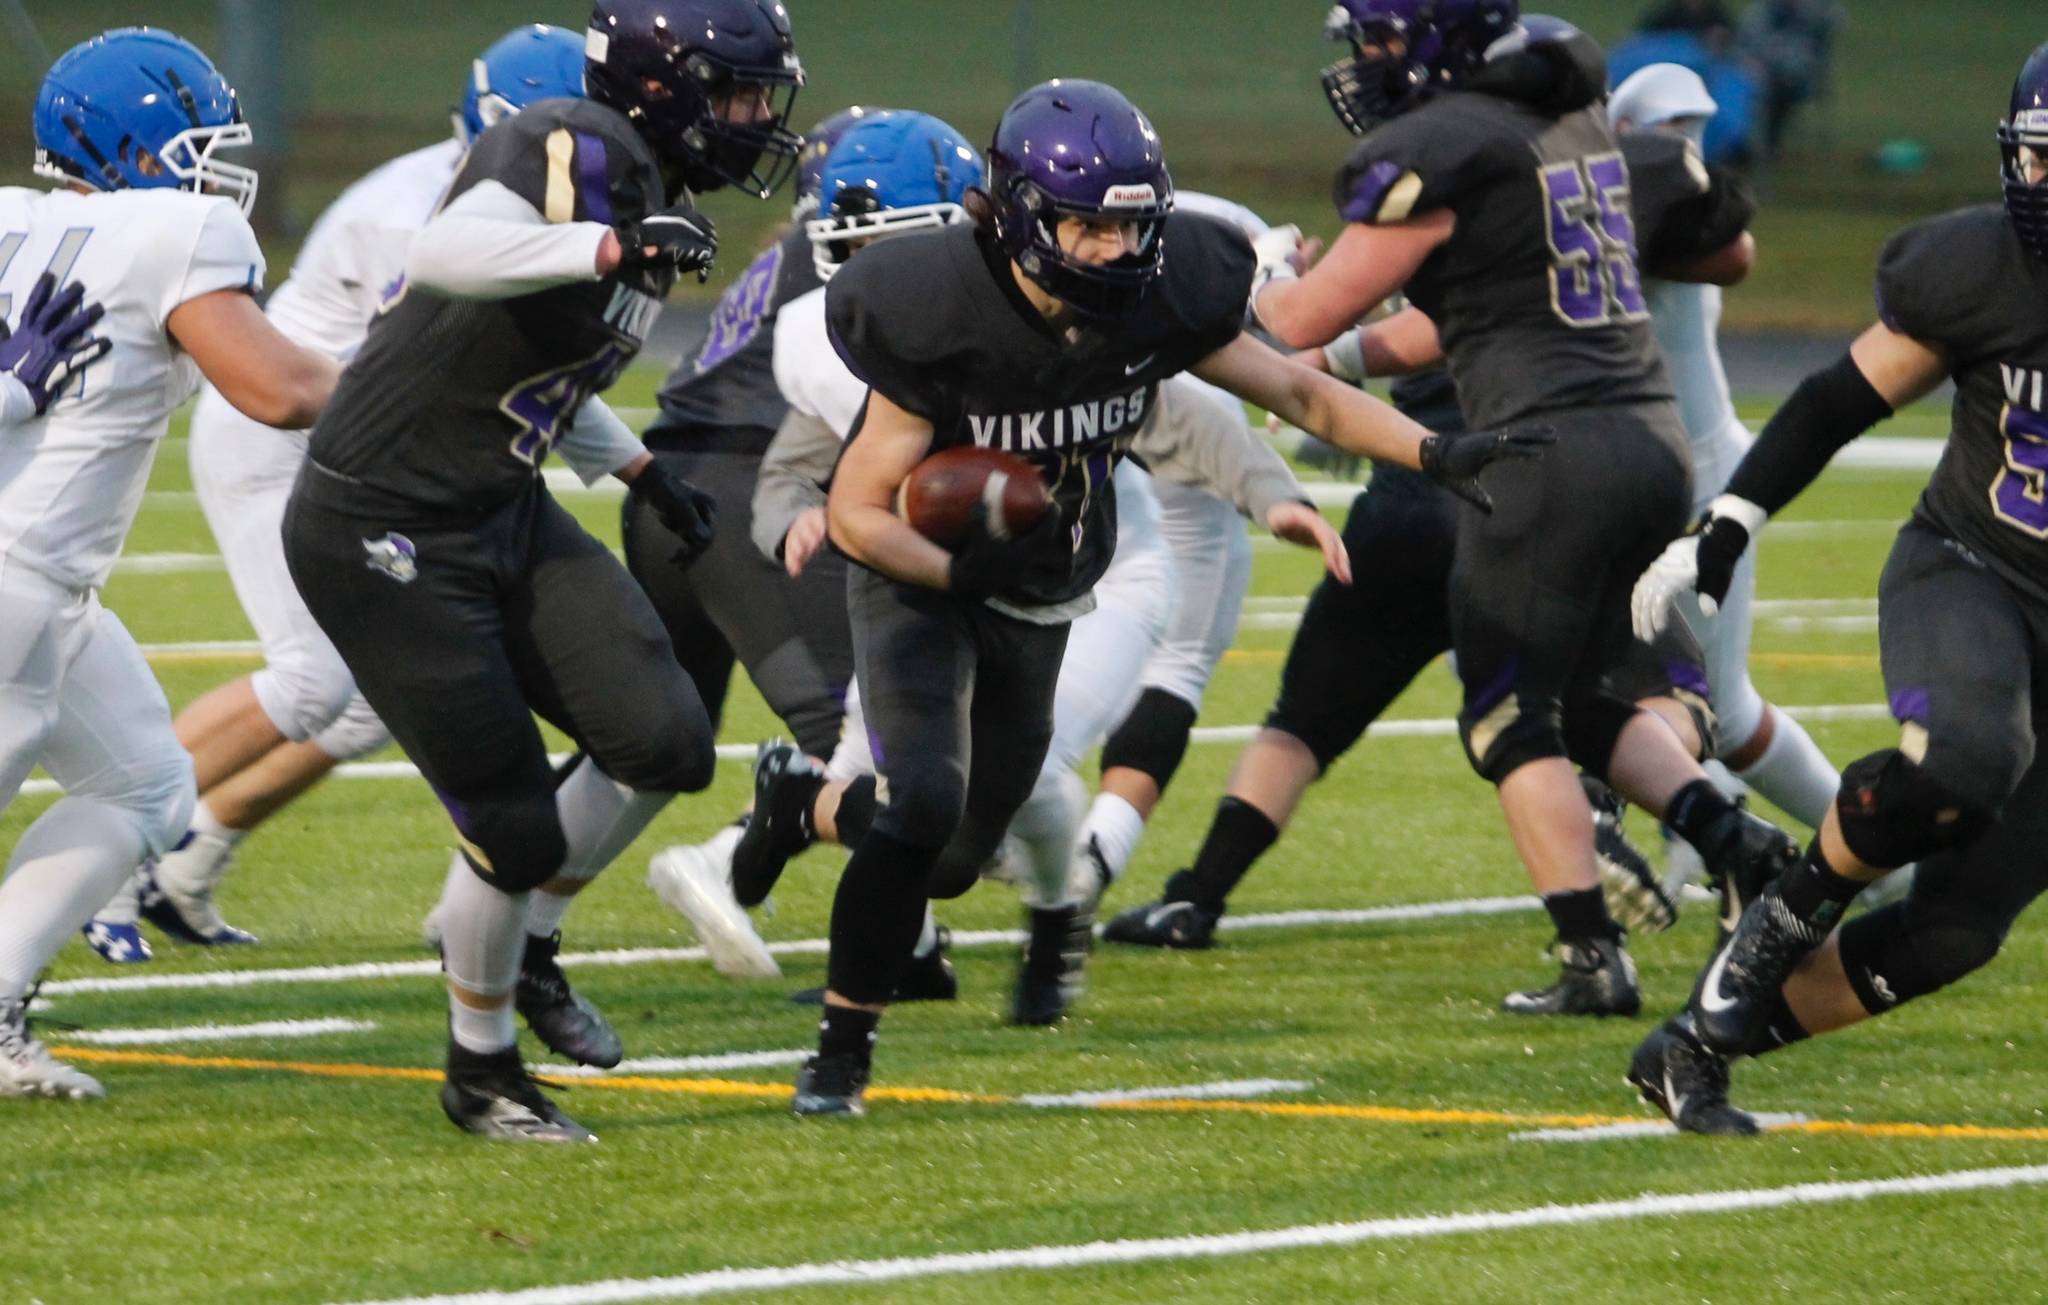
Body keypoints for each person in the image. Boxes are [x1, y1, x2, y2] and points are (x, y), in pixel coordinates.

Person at [791, 76, 1546, 1118]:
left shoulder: (1165, 290)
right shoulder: (930, 306)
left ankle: (805, 803)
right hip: (920, 580)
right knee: (919, 800)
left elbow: (1295, 386)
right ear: (1016, 214)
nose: (1110, 249)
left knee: (961, 856)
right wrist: (961, 569)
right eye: (1083, 227)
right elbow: (857, 513)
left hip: (1045, 586)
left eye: (1128, 226)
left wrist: (1434, 449)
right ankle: (840, 1052)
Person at [282, 0, 803, 1143]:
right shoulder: (574, 136)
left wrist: (632, 469)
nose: (754, 121)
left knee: (662, 737)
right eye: (737, 94)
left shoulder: (647, 183)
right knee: (512, 829)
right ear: (663, 83)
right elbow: (450, 252)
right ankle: (482, 1071)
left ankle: (526, 946)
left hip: (498, 504)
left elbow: (534, 371)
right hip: (388, 524)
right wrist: (610, 245)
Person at [1252, 4, 1799, 1009]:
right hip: (1647, 445)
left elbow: (1300, 318)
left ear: (1435, 40)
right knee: (1582, 696)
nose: (1365, 62)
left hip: (1545, 454)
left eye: (1378, 38)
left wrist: (1256, 271)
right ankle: (1741, 844)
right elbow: (1729, 253)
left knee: (1505, 720)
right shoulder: (1581, 131)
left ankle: (1591, 961)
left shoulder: (1446, 145)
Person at [80, 24, 589, 966]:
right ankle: (107, 863)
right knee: (313, 679)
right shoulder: (422, 211)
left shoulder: (489, 196)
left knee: (359, 703)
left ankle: (189, 866)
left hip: (369, 440)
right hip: (288, 435)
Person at [1625, 36, 2048, 1136]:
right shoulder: (1979, 266)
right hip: (1971, 570)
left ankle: (1691, 1043)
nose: (2044, 187)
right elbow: (1832, 401)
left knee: (1952, 932)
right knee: (1962, 758)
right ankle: (1766, 931)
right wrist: (1726, 521)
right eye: (2038, 159)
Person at [0, 27, 342, 1100]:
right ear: (141, 145)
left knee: (146, 782)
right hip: (16, 576)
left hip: (50, 585)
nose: (214, 167)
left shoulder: (15, 218)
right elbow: (278, 389)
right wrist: (414, 390)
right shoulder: (173, 226)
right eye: (199, 140)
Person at [633, 107, 894, 955]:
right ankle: (730, 863)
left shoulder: (786, 256)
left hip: (666, 491)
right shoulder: (847, 268)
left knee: (649, 743)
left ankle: (502, 911)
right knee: (861, 729)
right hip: (742, 497)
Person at [1606, 64, 1840, 914]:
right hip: (1656, 472)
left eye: (1695, 127)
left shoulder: (1662, 217)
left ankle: (1882, 858)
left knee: (1721, 710)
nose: (1685, 146)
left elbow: (1725, 246)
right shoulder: (1631, 205)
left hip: (1704, 482)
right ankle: (1700, 849)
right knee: (1654, 688)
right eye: (1668, 127)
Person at [1735, 0, 1843, 157]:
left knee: (1783, 89)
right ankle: (1742, 141)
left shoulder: (1815, 15)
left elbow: (1834, 23)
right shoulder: (1761, 14)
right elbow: (1743, 46)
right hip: (1759, 74)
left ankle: (1769, 142)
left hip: (1796, 76)